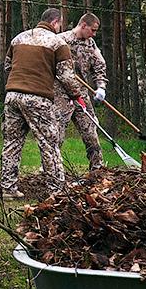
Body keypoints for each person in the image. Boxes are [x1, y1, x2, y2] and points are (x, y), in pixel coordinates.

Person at [0, 7, 82, 199]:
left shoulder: (18, 39)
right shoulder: (58, 43)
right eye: (60, 23)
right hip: (38, 98)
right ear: (55, 22)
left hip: (12, 96)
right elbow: (66, 76)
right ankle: (57, 191)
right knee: (49, 144)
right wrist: (75, 96)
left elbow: (8, 66)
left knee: (12, 142)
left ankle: (8, 189)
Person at [55, 13, 108, 171]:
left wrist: (101, 87)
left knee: (91, 131)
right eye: (92, 30)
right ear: (83, 25)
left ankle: (97, 170)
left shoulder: (90, 44)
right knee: (56, 134)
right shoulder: (61, 40)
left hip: (82, 96)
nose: (94, 34)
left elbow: (99, 65)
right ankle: (51, 171)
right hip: (61, 95)